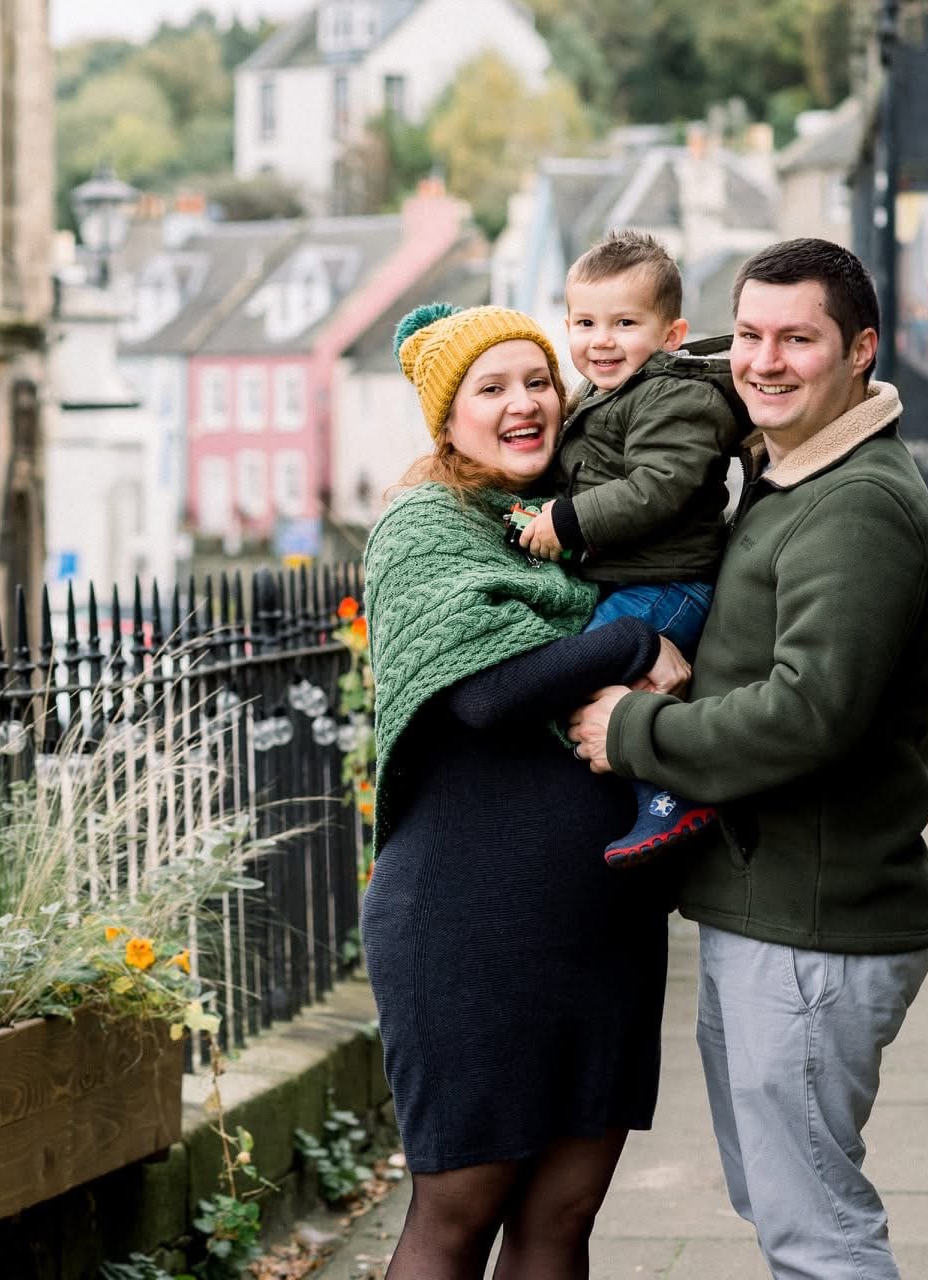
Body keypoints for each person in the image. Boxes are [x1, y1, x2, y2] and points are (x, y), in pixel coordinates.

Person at [569, 238, 928, 1279]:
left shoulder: (855, 503)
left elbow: (807, 714)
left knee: (815, 1231)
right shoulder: (781, 472)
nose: (763, 359)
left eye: (798, 338)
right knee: (781, 1205)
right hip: (765, 911)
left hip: (814, 926)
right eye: (747, 334)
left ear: (859, 350)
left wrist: (632, 731)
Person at [362, 302, 687, 1278]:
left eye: (536, 380)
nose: (521, 403)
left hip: (599, 922)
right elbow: (482, 694)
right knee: (455, 1213)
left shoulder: (578, 524)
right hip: (466, 927)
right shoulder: (423, 526)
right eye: (489, 388)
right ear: (446, 416)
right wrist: (632, 641)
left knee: (561, 1215)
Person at [516, 229, 748, 867]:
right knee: (587, 677)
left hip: (671, 585)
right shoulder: (602, 396)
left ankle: (672, 796)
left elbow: (658, 486)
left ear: (670, 335)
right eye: (586, 323)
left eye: (624, 323)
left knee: (583, 675)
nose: (602, 340)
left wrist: (568, 520)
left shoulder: (674, 397)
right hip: (640, 579)